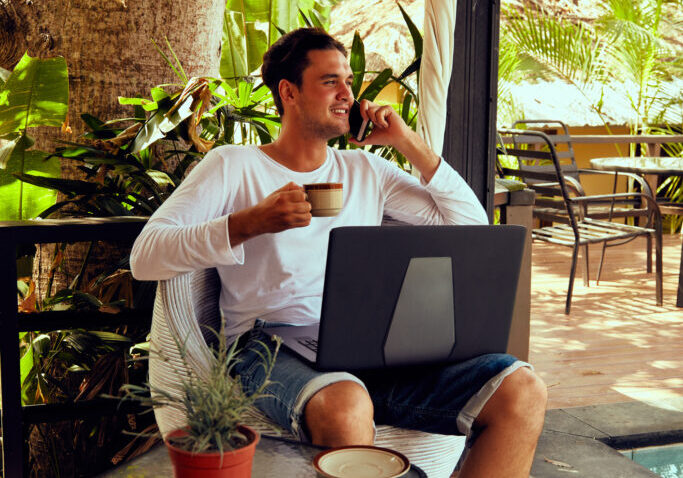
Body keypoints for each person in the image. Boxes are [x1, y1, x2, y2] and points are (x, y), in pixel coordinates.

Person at [130, 27, 547, 477]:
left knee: (520, 389)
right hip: (269, 345)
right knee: (347, 404)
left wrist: (407, 142)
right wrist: (251, 222)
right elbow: (145, 256)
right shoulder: (234, 165)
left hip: (366, 345)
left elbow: (470, 225)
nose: (347, 93)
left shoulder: (366, 168)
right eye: (331, 81)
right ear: (288, 92)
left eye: (348, 81)